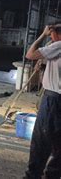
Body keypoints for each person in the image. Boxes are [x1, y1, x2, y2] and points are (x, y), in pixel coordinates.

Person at [25, 22, 61, 179]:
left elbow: (30, 54)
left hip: (53, 100)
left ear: (55, 33)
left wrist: (42, 35)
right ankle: (53, 175)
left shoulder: (58, 46)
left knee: (41, 141)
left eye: (51, 32)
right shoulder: (55, 47)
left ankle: (33, 175)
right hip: (56, 98)